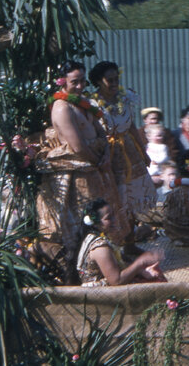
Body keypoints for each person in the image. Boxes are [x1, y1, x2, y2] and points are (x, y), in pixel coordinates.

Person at [36, 61, 123, 281]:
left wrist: (105, 155)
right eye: (75, 82)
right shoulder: (61, 107)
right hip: (79, 172)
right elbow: (78, 146)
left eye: (82, 81)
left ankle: (109, 262)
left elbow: (100, 132)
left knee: (104, 217)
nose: (80, 86)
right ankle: (82, 272)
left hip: (95, 168)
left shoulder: (82, 103)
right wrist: (97, 162)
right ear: (62, 82)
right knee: (84, 222)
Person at [88, 61, 157, 251]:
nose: (113, 83)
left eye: (115, 79)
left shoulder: (125, 98)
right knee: (117, 198)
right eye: (108, 80)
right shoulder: (92, 104)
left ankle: (130, 242)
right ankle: (114, 243)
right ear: (98, 82)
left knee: (133, 197)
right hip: (109, 153)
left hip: (129, 150)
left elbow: (133, 126)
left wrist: (143, 152)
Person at [77, 199, 165, 287]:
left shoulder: (99, 237)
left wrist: (141, 271)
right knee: (157, 283)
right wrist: (140, 262)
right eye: (108, 218)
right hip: (99, 294)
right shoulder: (100, 248)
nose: (115, 220)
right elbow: (116, 281)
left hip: (108, 285)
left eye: (113, 215)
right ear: (96, 224)